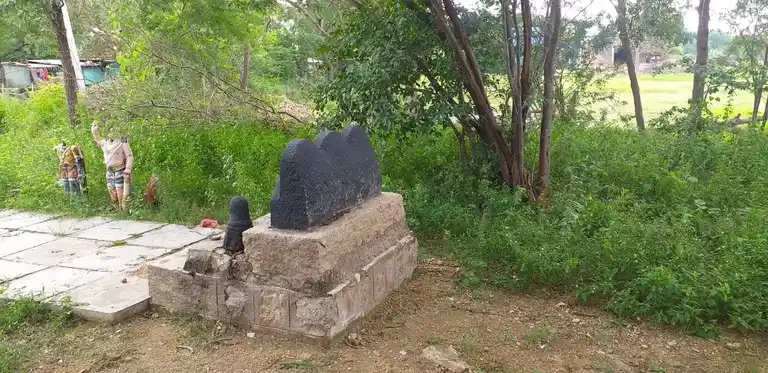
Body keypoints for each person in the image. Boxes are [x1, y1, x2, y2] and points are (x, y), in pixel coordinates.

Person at [91, 121, 134, 211]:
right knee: (111, 189)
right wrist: (95, 131)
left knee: (120, 190)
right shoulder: (105, 142)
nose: (112, 131)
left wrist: (128, 169)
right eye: (110, 129)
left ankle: (124, 210)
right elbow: (98, 140)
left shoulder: (123, 141)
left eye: (114, 129)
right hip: (109, 170)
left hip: (120, 169)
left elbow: (129, 156)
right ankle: (116, 208)